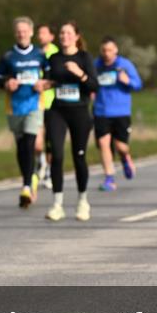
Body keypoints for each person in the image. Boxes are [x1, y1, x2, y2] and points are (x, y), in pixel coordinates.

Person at [0, 17, 51, 208]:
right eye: (18, 31)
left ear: (31, 32)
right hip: (14, 106)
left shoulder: (39, 54)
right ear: (15, 33)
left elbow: (51, 75)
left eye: (25, 31)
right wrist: (6, 84)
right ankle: (29, 177)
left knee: (29, 142)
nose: (22, 34)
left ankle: (27, 185)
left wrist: (44, 83)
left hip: (34, 104)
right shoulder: (8, 56)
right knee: (21, 147)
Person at [44, 21, 99, 221]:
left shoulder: (84, 58)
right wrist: (44, 84)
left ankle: (82, 201)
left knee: (79, 156)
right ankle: (57, 204)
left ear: (76, 36)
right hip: (58, 111)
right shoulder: (54, 58)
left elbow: (94, 86)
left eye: (68, 33)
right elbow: (50, 80)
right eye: (61, 33)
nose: (64, 36)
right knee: (56, 155)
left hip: (80, 112)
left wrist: (79, 73)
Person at [92, 36, 143, 191]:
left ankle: (125, 158)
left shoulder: (125, 65)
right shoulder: (96, 65)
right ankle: (109, 178)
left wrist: (127, 80)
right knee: (103, 144)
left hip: (121, 111)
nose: (107, 53)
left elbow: (138, 85)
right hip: (101, 111)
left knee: (121, 146)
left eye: (110, 50)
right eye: (104, 50)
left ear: (116, 50)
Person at [36, 24, 59, 189]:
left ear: (52, 36)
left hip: (51, 101)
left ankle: (50, 172)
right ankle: (41, 162)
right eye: (39, 33)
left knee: (51, 139)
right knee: (37, 141)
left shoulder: (55, 53)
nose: (40, 36)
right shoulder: (35, 53)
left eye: (44, 33)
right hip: (36, 101)